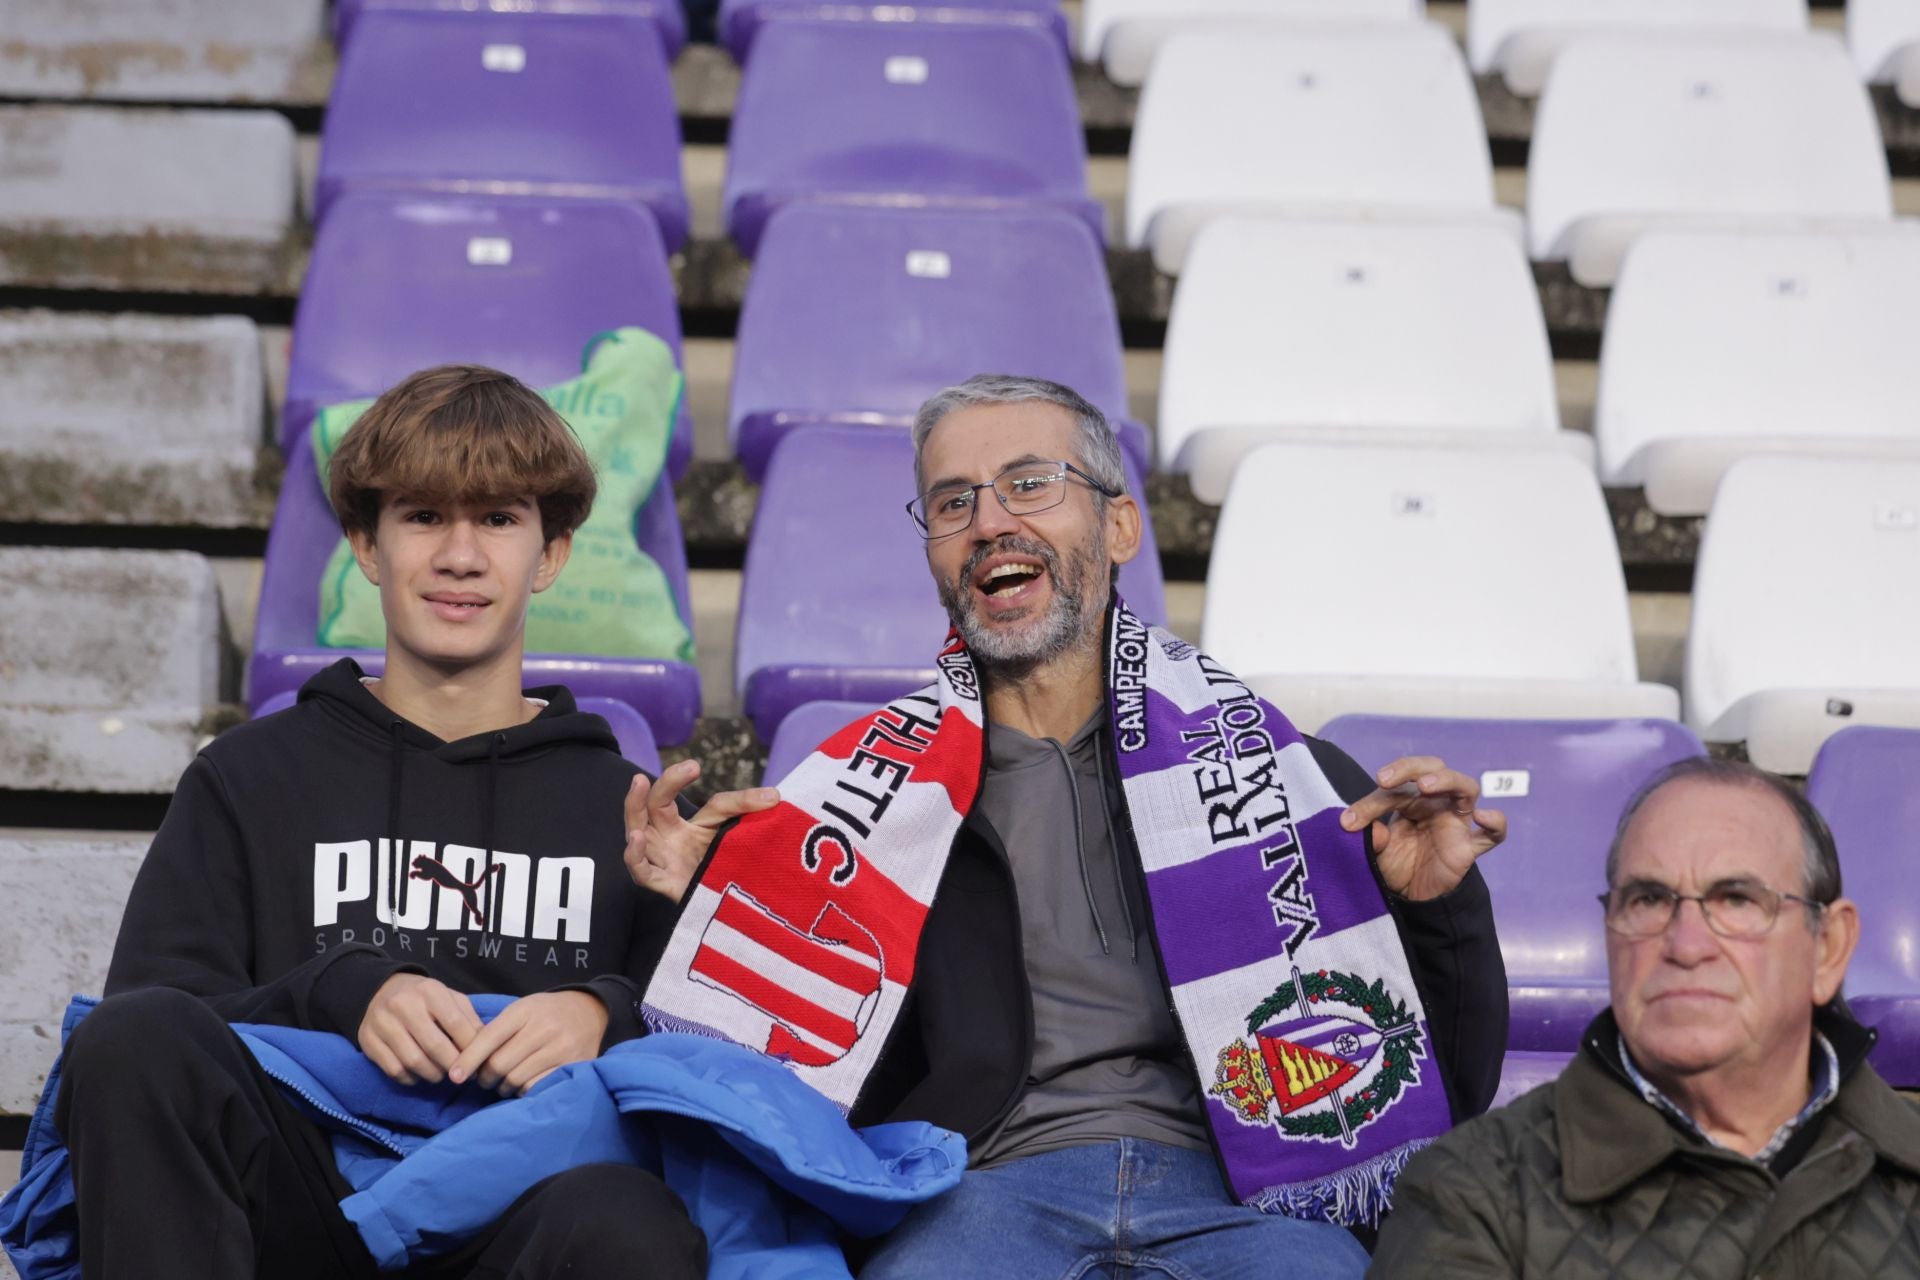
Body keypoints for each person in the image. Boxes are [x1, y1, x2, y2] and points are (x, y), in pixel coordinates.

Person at [626, 375, 1511, 1278]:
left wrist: (1440, 909)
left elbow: (1440, 1089)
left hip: (1245, 1201)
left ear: (1119, 526)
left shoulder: (1286, 778)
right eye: (953, 502)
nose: (989, 522)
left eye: (1029, 484)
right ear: (933, 553)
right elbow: (819, 1087)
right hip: (981, 1192)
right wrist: (707, 904)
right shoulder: (859, 802)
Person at [55, 365, 768, 1280]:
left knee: (627, 1216)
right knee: (132, 1041)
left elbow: (736, 1082)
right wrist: (339, 992)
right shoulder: (248, 776)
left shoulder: (628, 814)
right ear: (366, 542)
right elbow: (153, 1034)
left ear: (550, 553)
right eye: (424, 516)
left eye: (500, 519)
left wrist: (610, 1010)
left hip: (519, 1220)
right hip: (296, 1214)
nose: (460, 556)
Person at [1370, 756, 1920, 1278]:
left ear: (1828, 948)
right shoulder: (1470, 1195)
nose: (1686, 944)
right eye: (1649, 900)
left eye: (1736, 900)